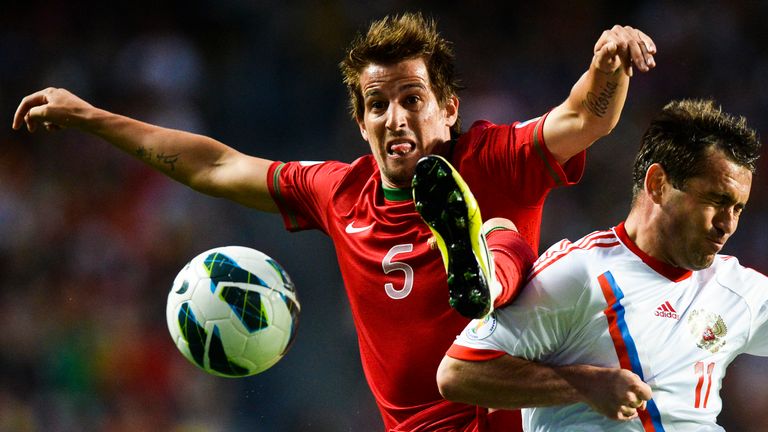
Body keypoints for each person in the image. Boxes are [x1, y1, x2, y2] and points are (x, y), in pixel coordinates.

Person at [12, 12, 656, 432]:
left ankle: (482, 274)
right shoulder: (338, 191)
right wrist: (92, 117)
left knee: (503, 239)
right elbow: (214, 166)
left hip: (523, 409)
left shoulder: (495, 157)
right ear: (360, 122)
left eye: (413, 99)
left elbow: (585, 119)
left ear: (449, 108)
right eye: (378, 105)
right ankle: (481, 270)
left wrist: (609, 63)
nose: (396, 118)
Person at [427, 99, 764, 431]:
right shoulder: (579, 273)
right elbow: (459, 373)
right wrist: (584, 384)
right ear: (658, 184)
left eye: (738, 208)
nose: (728, 224)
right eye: (716, 201)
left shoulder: (736, 288)